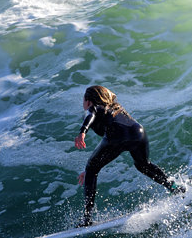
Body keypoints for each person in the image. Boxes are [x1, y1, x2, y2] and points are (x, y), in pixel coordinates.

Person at [74, 85, 184, 226]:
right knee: (143, 165)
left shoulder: (94, 108)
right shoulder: (116, 109)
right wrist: (93, 167)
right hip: (138, 132)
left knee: (91, 168)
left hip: (116, 135)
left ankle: (87, 218)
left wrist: (82, 132)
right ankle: (174, 187)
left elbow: (91, 115)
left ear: (88, 101)